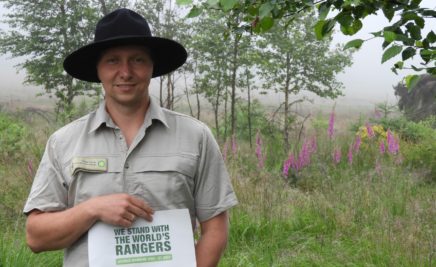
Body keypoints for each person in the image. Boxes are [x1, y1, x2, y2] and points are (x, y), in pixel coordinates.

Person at [23, 8, 238, 267]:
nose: (125, 72)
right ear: (98, 70)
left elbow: (215, 229)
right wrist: (93, 209)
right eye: (113, 60)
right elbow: (36, 236)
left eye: (137, 59)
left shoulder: (196, 137)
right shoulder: (63, 142)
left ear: (151, 66)